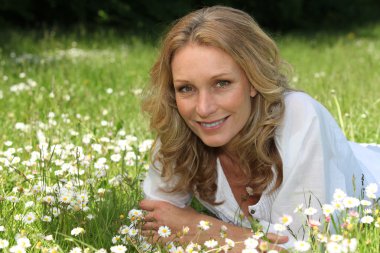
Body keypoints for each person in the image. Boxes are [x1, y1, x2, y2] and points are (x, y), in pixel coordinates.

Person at [139, 5, 380, 250]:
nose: (203, 108)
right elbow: (153, 223)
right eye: (186, 88)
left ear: (253, 80)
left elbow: (305, 245)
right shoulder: (180, 128)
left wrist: (205, 229)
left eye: (222, 83)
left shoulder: (301, 117)